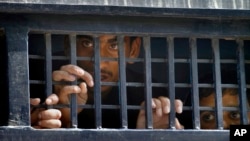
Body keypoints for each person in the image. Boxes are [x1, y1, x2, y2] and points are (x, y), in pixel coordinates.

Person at [30, 35, 184, 129]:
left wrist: (150, 136)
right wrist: (62, 120)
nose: (99, 63)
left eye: (114, 46)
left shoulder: (149, 94)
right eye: (87, 44)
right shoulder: (35, 79)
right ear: (68, 46)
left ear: (133, 49)